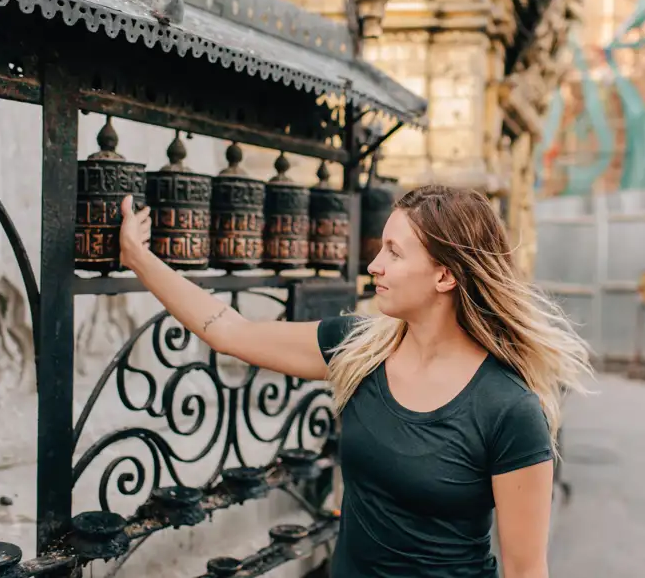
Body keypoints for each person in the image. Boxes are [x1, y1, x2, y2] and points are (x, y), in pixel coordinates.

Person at [119, 184, 592, 578]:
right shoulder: (361, 350)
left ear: (445, 275)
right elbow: (228, 330)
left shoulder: (509, 409)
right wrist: (138, 259)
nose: (374, 266)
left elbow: (526, 571)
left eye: (394, 252)